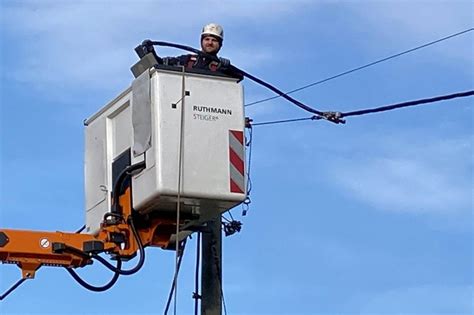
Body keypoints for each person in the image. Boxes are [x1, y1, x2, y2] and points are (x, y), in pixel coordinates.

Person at [162, 23, 242, 79]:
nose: (210, 43)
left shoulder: (221, 67)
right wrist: (151, 51)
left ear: (220, 45)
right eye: (207, 39)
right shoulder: (188, 60)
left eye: (214, 40)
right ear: (201, 41)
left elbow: (239, 75)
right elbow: (162, 63)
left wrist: (228, 68)